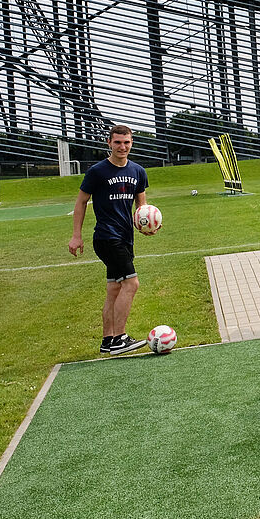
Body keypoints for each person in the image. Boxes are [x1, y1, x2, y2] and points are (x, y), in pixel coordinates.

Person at [68, 124, 155, 355]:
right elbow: (80, 203)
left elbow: (141, 207)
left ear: (131, 143)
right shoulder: (97, 171)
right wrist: (77, 235)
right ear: (109, 143)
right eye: (117, 142)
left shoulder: (138, 171)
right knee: (131, 284)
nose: (122, 147)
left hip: (125, 238)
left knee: (114, 289)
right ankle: (120, 337)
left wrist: (147, 225)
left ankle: (108, 340)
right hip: (107, 237)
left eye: (126, 142)